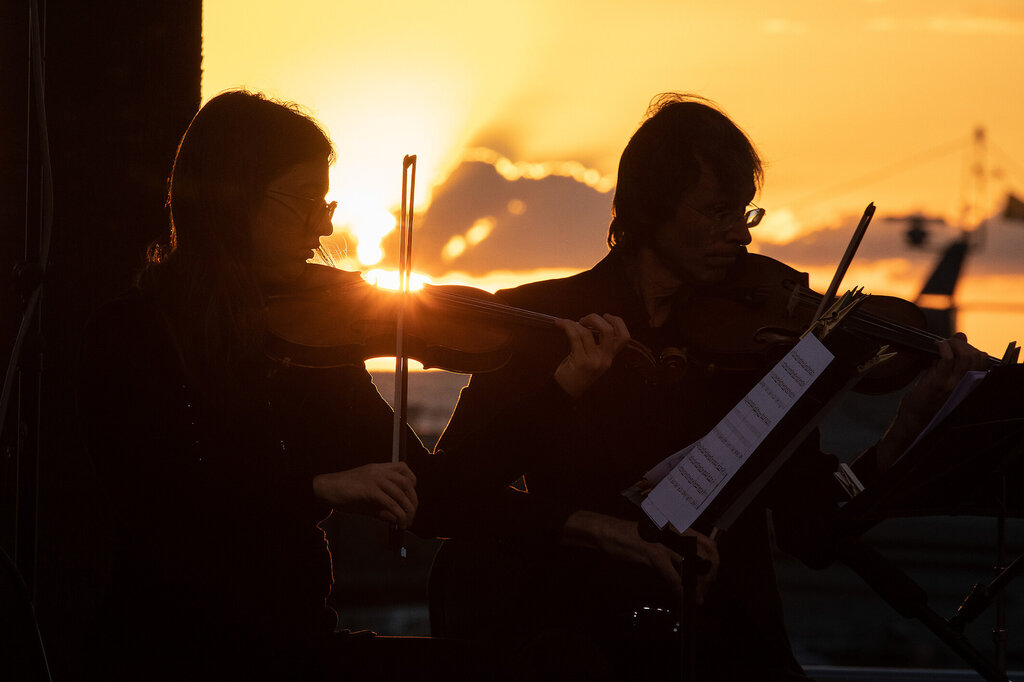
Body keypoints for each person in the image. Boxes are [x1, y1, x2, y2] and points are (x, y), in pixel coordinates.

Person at [419, 93, 990, 681]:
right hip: (579, 638)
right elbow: (447, 493)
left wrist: (910, 423)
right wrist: (595, 500)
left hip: (725, 641)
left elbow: (813, 531)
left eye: (744, 213)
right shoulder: (546, 320)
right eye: (717, 213)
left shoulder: (758, 345)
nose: (739, 237)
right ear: (647, 212)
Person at [78, 89, 629, 681]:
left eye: (326, 201)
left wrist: (560, 392)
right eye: (306, 201)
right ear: (231, 200)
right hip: (164, 653)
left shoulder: (310, 344)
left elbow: (435, 494)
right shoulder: (128, 334)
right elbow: (166, 495)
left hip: (297, 649)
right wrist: (317, 487)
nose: (326, 225)